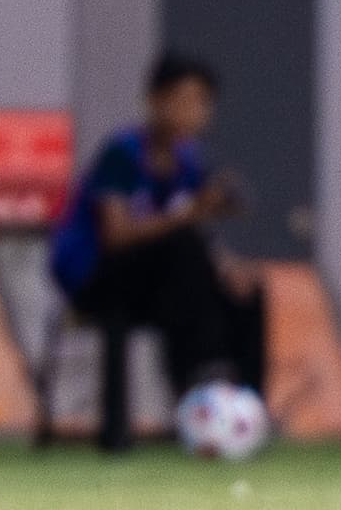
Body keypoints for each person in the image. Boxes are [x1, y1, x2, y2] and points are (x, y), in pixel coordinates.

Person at [47, 51, 265, 453]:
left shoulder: (188, 160)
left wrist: (225, 265)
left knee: (246, 290)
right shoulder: (123, 154)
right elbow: (117, 236)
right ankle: (201, 382)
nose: (195, 112)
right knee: (182, 253)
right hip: (97, 278)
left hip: (160, 282)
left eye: (203, 102)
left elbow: (194, 231)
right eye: (184, 99)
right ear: (155, 101)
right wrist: (190, 215)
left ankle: (245, 407)